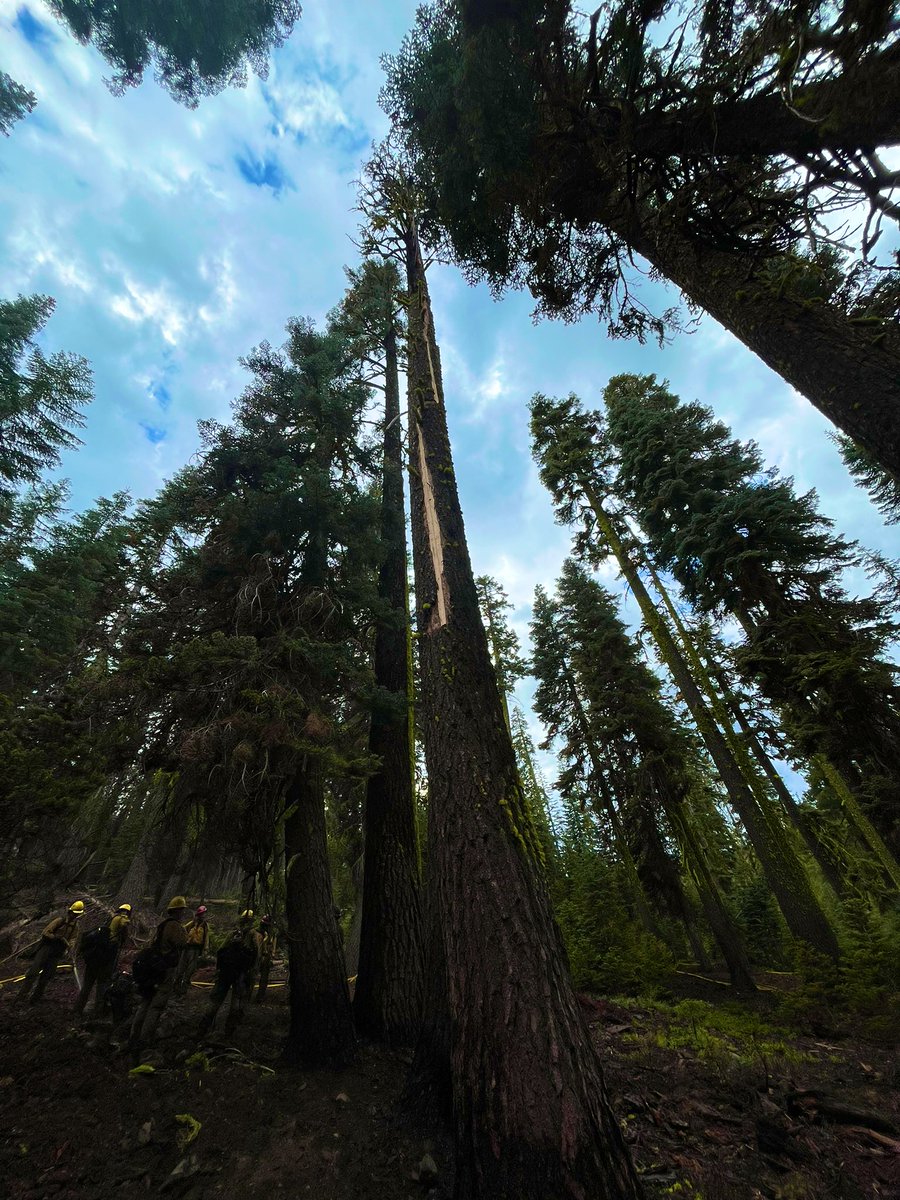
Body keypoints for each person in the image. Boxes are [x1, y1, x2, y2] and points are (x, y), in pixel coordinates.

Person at [128, 896, 188, 1056]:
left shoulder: (162, 925)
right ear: (177, 910)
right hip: (165, 970)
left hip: (154, 968)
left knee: (145, 1002)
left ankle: (133, 1036)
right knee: (156, 1005)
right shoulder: (174, 926)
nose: (184, 912)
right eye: (182, 909)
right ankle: (144, 1040)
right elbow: (182, 943)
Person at [197, 909, 258, 1039]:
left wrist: (219, 969)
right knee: (236, 1003)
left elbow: (221, 950)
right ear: (252, 921)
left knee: (215, 1001)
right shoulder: (253, 935)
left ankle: (202, 1029)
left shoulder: (232, 934)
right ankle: (228, 1033)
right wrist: (251, 972)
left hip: (225, 973)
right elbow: (256, 955)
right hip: (240, 974)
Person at [17, 901, 85, 1004]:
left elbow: (73, 940)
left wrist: (69, 945)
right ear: (70, 911)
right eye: (74, 913)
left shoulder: (75, 927)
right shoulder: (59, 921)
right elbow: (45, 932)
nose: (74, 915)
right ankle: (20, 997)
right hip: (46, 948)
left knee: (46, 977)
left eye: (77, 914)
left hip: (56, 953)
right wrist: (55, 937)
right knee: (33, 973)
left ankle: (35, 999)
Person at [73, 903, 132, 1019]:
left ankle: (78, 1009)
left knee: (87, 986)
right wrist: (125, 917)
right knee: (102, 985)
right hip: (106, 960)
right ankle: (98, 1012)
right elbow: (125, 926)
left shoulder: (110, 922)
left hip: (95, 959)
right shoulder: (120, 919)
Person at [175, 905, 209, 996]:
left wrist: (205, 950)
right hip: (186, 948)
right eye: (201, 914)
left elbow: (206, 939)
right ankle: (176, 988)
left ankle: (183, 990)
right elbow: (182, 929)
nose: (202, 916)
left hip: (195, 950)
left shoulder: (205, 926)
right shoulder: (192, 924)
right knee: (180, 969)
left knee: (190, 970)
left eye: (203, 914)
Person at [255, 915, 277, 1004]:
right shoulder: (258, 933)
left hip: (265, 956)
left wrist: (272, 954)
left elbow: (272, 945)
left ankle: (260, 996)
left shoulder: (271, 934)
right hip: (258, 956)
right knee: (253, 976)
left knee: (264, 977)